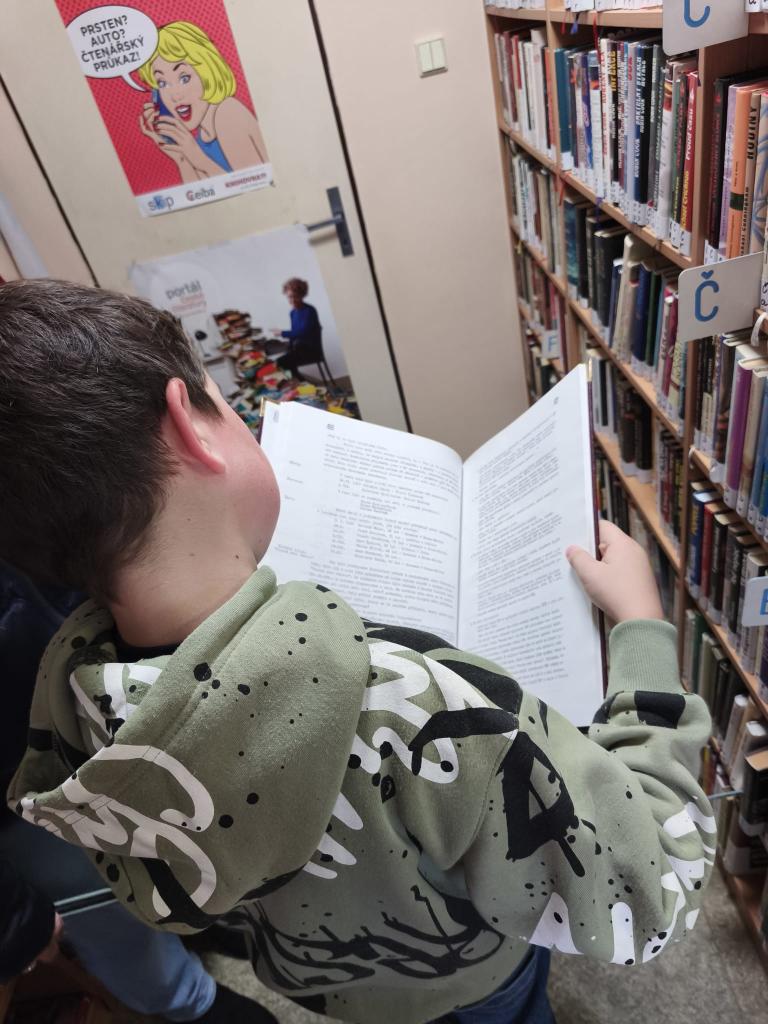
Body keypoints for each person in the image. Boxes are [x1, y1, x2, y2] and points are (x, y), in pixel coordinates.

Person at [1, 280, 714, 1024]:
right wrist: (642, 630)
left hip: (323, 983)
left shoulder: (69, 709)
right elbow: (651, 887)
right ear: (190, 424)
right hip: (475, 978)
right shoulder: (416, 705)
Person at [0, 562, 277, 1024]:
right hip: (21, 796)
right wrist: (14, 922)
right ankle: (190, 1000)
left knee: (170, 840)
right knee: (110, 912)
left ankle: (197, 922)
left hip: (84, 688)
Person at [137, 21, 268, 182]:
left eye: (184, 78)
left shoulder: (227, 112)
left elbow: (253, 183)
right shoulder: (202, 136)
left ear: (207, 72)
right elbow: (202, 192)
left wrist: (198, 158)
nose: (175, 96)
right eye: (162, 83)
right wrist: (181, 157)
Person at [271, 277, 324, 381]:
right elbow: (295, 333)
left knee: (280, 363)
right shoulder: (293, 313)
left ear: (302, 295)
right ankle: (301, 382)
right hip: (299, 349)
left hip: (311, 351)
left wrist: (282, 333)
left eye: (296, 296)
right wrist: (289, 346)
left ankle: (301, 382)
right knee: (282, 361)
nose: (292, 300)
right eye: (290, 297)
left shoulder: (309, 310)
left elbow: (302, 332)